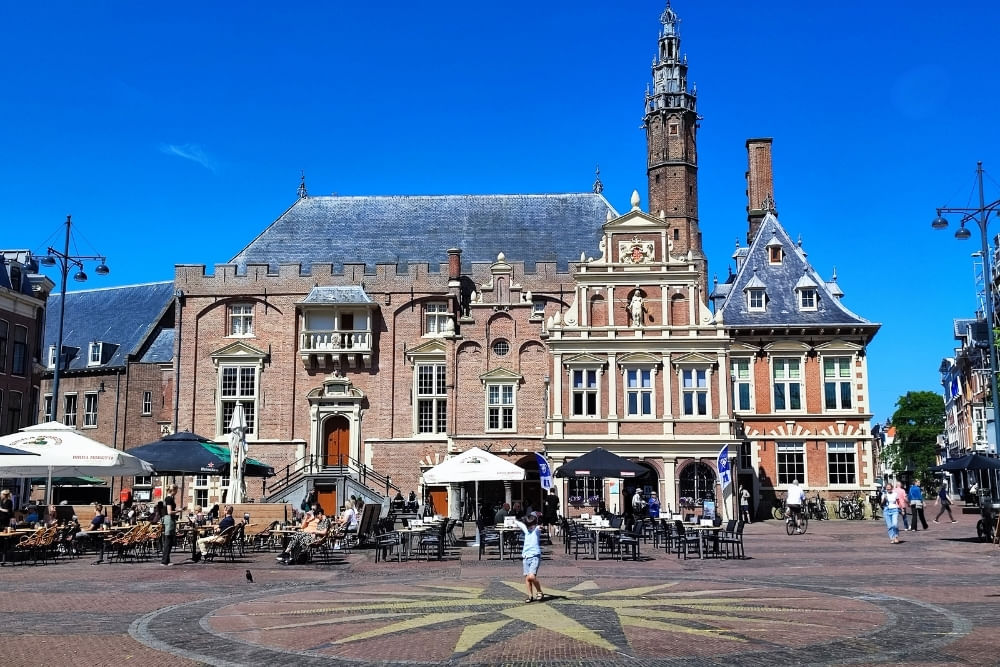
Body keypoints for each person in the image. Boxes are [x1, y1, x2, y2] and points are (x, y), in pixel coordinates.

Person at [514, 513, 545, 603]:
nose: (529, 528)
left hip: (535, 556)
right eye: (528, 526)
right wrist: (513, 520)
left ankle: (539, 591)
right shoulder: (527, 531)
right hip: (526, 557)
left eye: (531, 526)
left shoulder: (536, 530)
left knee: (531, 577)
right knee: (527, 578)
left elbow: (539, 528)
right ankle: (530, 596)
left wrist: (541, 527)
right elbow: (521, 525)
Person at [160, 500, 177, 565]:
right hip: (169, 522)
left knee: (168, 542)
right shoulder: (169, 499)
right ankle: (164, 561)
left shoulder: (167, 499)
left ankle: (166, 560)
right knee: (168, 541)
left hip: (168, 521)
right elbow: (169, 512)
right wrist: (179, 511)